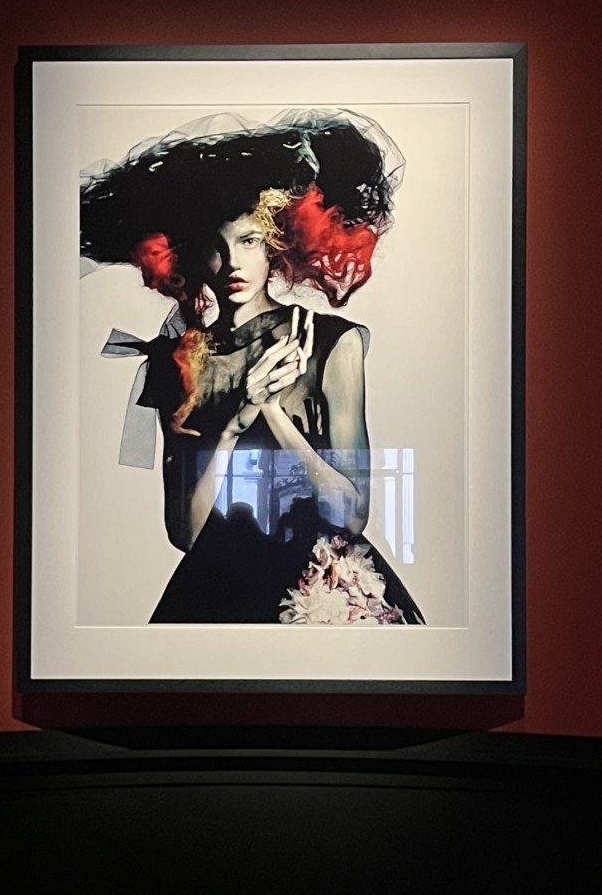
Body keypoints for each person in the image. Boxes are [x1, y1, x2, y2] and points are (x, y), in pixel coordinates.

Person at [82, 111, 423, 625]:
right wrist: (235, 420)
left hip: (318, 594)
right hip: (217, 592)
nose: (233, 263)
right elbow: (185, 534)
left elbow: (352, 515)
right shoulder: (176, 362)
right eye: (214, 246)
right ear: (190, 256)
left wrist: (272, 411)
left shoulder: (333, 343)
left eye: (249, 241)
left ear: (277, 245)